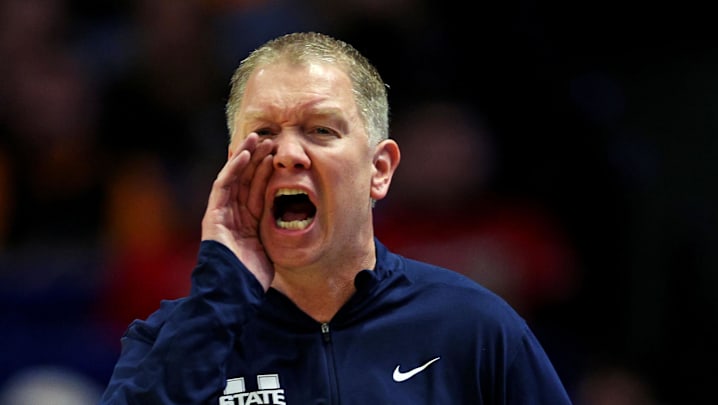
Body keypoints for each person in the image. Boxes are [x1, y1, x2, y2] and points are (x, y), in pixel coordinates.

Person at [100, 31, 572, 404]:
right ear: (233, 168)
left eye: (320, 129)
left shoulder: (474, 327)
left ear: (379, 169)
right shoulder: (175, 340)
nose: (286, 154)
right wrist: (219, 291)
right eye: (262, 133)